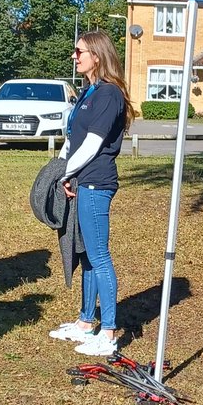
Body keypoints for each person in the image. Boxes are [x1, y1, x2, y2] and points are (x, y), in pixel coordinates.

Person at [48, 29, 133, 357]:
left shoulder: (109, 94)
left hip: (97, 183)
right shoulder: (89, 92)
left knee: (99, 256)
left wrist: (66, 173)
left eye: (79, 51)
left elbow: (94, 144)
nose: (75, 56)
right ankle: (86, 323)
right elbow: (73, 140)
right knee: (86, 256)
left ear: (97, 55)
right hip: (82, 180)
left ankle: (109, 333)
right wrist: (60, 171)